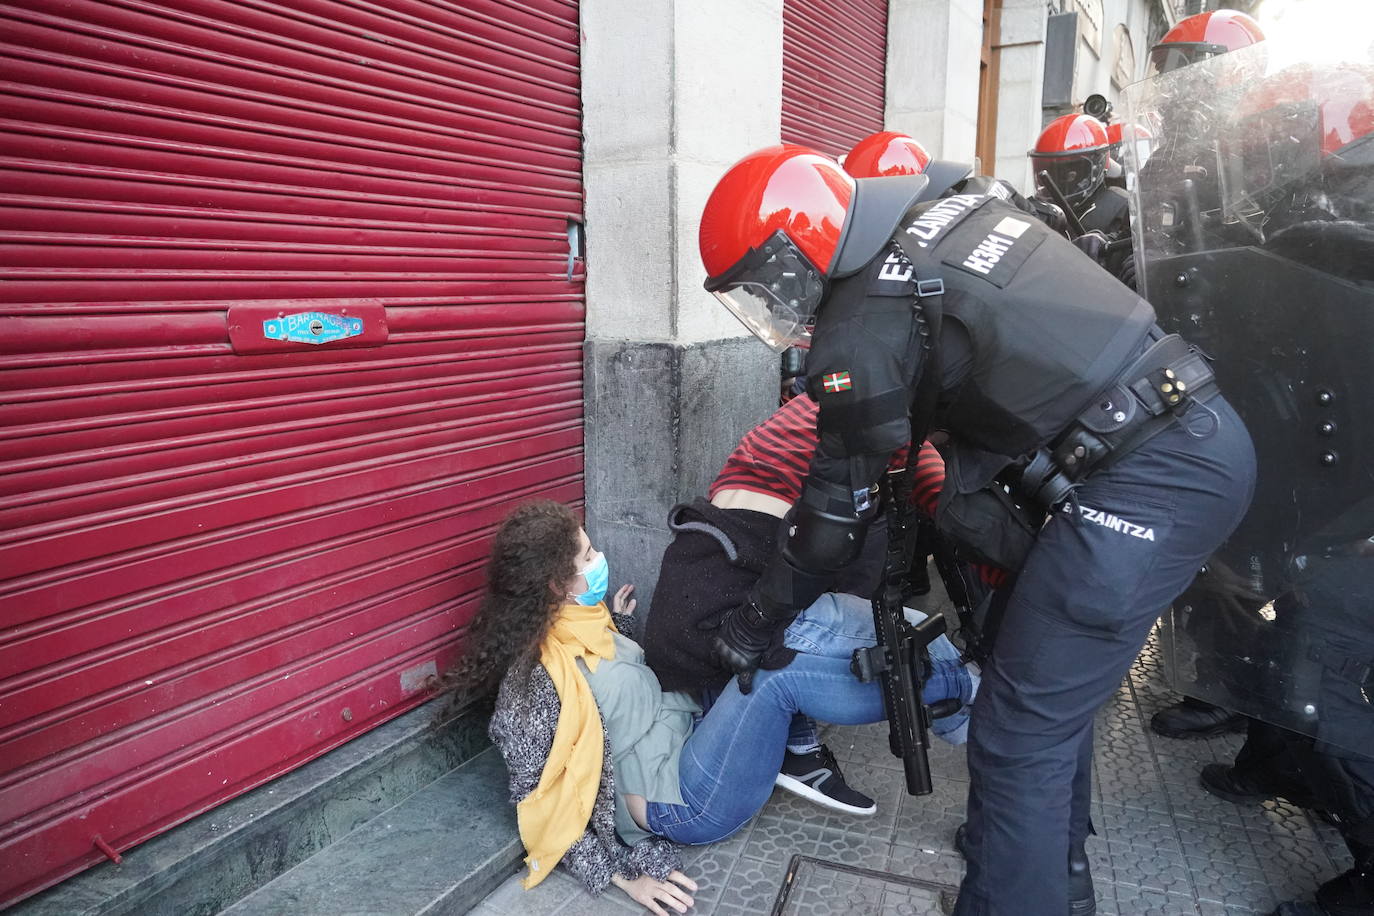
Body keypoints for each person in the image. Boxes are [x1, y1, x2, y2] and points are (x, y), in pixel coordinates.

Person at [697, 145, 1256, 915]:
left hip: (1143, 481)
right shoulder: (951, 215)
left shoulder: (859, 332)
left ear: (795, 257)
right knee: (1041, 703)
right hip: (1189, 433)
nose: (771, 308)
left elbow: (831, 519)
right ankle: (1048, 873)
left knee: (1019, 731)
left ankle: (1022, 886)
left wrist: (756, 620)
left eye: (763, 287)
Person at [448, 500, 975, 914]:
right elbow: (536, 799)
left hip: (689, 732)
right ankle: (956, 687)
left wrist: (622, 624)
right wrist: (623, 878)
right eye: (587, 557)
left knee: (747, 634)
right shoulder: (533, 683)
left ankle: (937, 677)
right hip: (683, 801)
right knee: (776, 677)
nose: (599, 558)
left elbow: (607, 693)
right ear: (555, 586)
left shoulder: (584, 622)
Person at [1028, 114, 1134, 287]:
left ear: (1097, 165)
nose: (1057, 181)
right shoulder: (1034, 209)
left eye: (1069, 173)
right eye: (1049, 170)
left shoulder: (1121, 207)